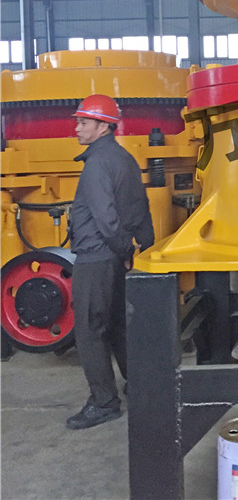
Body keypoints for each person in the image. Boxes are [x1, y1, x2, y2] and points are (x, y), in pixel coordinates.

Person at [65, 94, 154, 430]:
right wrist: (136, 247)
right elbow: (140, 205)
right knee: (116, 324)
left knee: (90, 331)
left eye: (83, 122)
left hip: (96, 257)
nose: (77, 128)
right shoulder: (124, 158)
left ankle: (104, 403)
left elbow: (105, 218)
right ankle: (141, 385)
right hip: (115, 257)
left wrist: (122, 248)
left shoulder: (97, 164)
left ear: (103, 126)